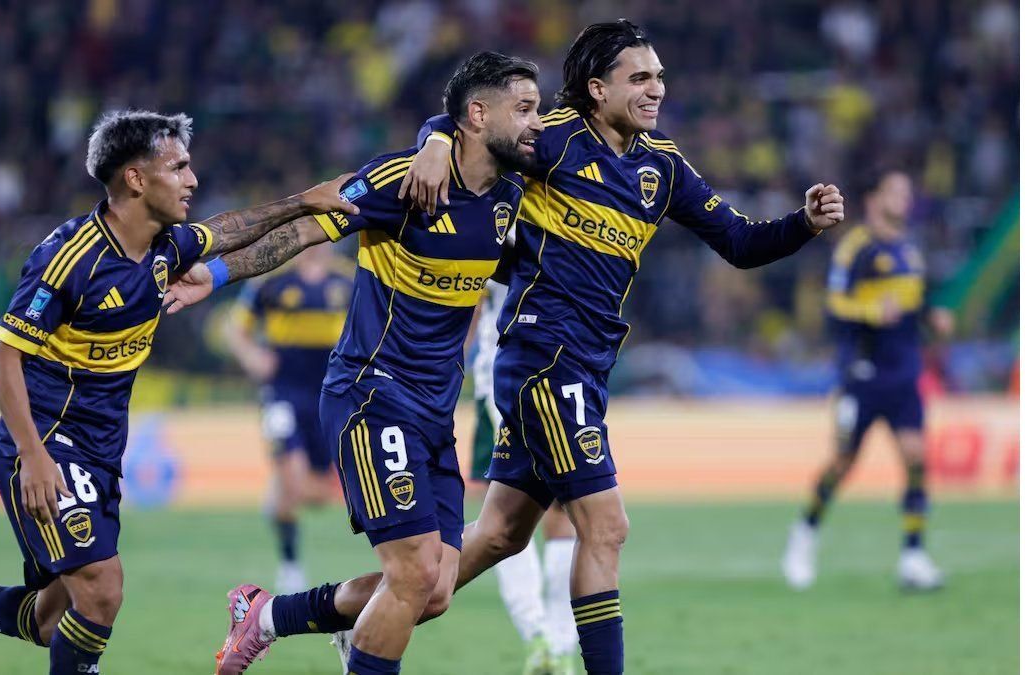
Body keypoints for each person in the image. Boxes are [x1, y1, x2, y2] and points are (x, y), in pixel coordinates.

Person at [321, 20, 847, 675]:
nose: (657, 89)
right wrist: (433, 139)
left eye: (659, 76)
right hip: (544, 358)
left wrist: (803, 223)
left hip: (589, 366)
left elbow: (739, 242)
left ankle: (289, 616)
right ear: (597, 89)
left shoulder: (663, 166)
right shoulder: (555, 138)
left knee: (499, 537)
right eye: (640, 78)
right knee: (606, 526)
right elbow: (479, 126)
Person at [0, 109, 356, 673]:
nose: (193, 179)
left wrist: (303, 203)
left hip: (101, 451)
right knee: (102, 588)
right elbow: (3, 358)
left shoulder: (164, 246)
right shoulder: (69, 259)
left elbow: (230, 231)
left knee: (51, 619)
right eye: (178, 167)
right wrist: (32, 455)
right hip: (49, 442)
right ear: (136, 178)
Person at [163, 51, 543, 675]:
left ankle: (266, 615)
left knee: (434, 591)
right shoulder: (403, 181)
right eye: (524, 109)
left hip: (434, 409)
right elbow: (303, 229)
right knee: (413, 574)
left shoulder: (511, 194)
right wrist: (219, 272)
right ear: (478, 114)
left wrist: (437, 134)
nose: (536, 123)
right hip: (373, 391)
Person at [782, 170, 951, 591]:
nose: (905, 199)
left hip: (904, 374)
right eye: (896, 191)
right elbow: (834, 306)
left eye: (907, 192)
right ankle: (804, 534)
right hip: (862, 375)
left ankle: (913, 555)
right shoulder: (855, 248)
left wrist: (933, 317)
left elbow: (917, 301)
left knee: (915, 459)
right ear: (874, 199)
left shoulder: (910, 250)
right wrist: (871, 312)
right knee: (842, 463)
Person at [225, 244, 352, 592]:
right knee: (293, 480)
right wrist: (252, 357)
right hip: (281, 394)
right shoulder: (272, 279)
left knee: (317, 494)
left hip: (328, 394)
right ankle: (290, 565)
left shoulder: (348, 279)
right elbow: (235, 327)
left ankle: (278, 499)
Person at [469, 280, 579, 675]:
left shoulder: (490, 240)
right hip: (555, 375)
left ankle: (540, 638)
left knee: (504, 516)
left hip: (503, 381)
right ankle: (556, 643)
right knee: (559, 511)